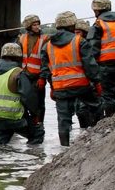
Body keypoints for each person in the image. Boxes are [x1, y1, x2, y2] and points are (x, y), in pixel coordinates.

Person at [40, 10, 101, 147]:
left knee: (63, 119)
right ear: (72, 24)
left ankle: (64, 149)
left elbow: (46, 69)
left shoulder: (47, 45)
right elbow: (90, 65)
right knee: (96, 107)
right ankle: (98, 138)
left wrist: (52, 87)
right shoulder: (80, 41)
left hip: (60, 88)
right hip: (81, 85)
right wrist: (97, 82)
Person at [0, 42, 44, 145]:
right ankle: (31, 159)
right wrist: (35, 114)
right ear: (18, 57)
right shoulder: (18, 73)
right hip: (15, 117)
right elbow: (28, 97)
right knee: (37, 133)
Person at [17, 14, 48, 135]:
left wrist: (43, 77)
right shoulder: (21, 39)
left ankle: (39, 124)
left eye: (38, 24)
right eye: (34, 25)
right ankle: (28, 126)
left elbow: (46, 61)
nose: (37, 27)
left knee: (40, 103)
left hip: (37, 77)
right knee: (24, 101)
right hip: (24, 75)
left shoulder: (45, 39)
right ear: (28, 27)